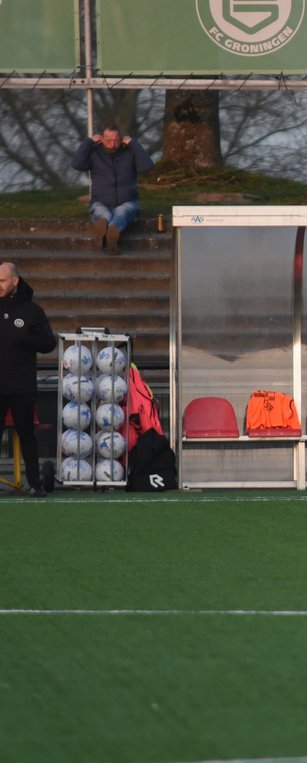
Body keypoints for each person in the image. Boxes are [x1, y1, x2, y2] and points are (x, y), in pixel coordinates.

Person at [0, 262, 56, 498]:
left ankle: (35, 483)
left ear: (15, 281)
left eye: (3, 280)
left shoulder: (32, 311)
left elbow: (48, 343)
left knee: (27, 434)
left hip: (22, 385)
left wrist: (25, 338)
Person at [70, 124, 154, 256]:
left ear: (121, 139)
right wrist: (89, 142)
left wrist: (133, 143)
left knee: (122, 212)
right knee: (104, 214)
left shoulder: (130, 151)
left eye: (116, 140)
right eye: (108, 140)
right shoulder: (94, 153)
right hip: (101, 200)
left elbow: (147, 167)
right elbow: (77, 164)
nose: (112, 144)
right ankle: (109, 231)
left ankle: (111, 232)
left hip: (127, 200)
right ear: (102, 139)